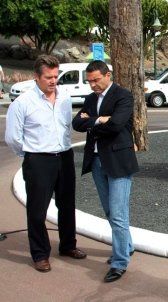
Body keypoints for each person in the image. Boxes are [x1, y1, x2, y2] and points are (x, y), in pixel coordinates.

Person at [5, 55, 86, 273]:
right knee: (37, 211)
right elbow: (13, 137)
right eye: (48, 77)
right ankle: (40, 254)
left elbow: (67, 126)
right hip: (38, 160)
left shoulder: (65, 98)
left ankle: (68, 245)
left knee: (67, 206)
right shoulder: (22, 103)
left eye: (55, 76)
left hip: (65, 157)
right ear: (36, 77)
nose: (53, 81)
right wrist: (31, 155)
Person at [72, 60, 139, 282]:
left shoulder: (123, 95)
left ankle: (120, 262)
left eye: (96, 80)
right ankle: (127, 246)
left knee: (118, 214)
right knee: (110, 212)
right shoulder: (91, 99)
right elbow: (76, 124)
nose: (92, 85)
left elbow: (117, 124)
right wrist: (99, 119)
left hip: (119, 161)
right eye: (89, 81)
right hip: (98, 161)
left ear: (107, 75)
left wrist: (90, 122)